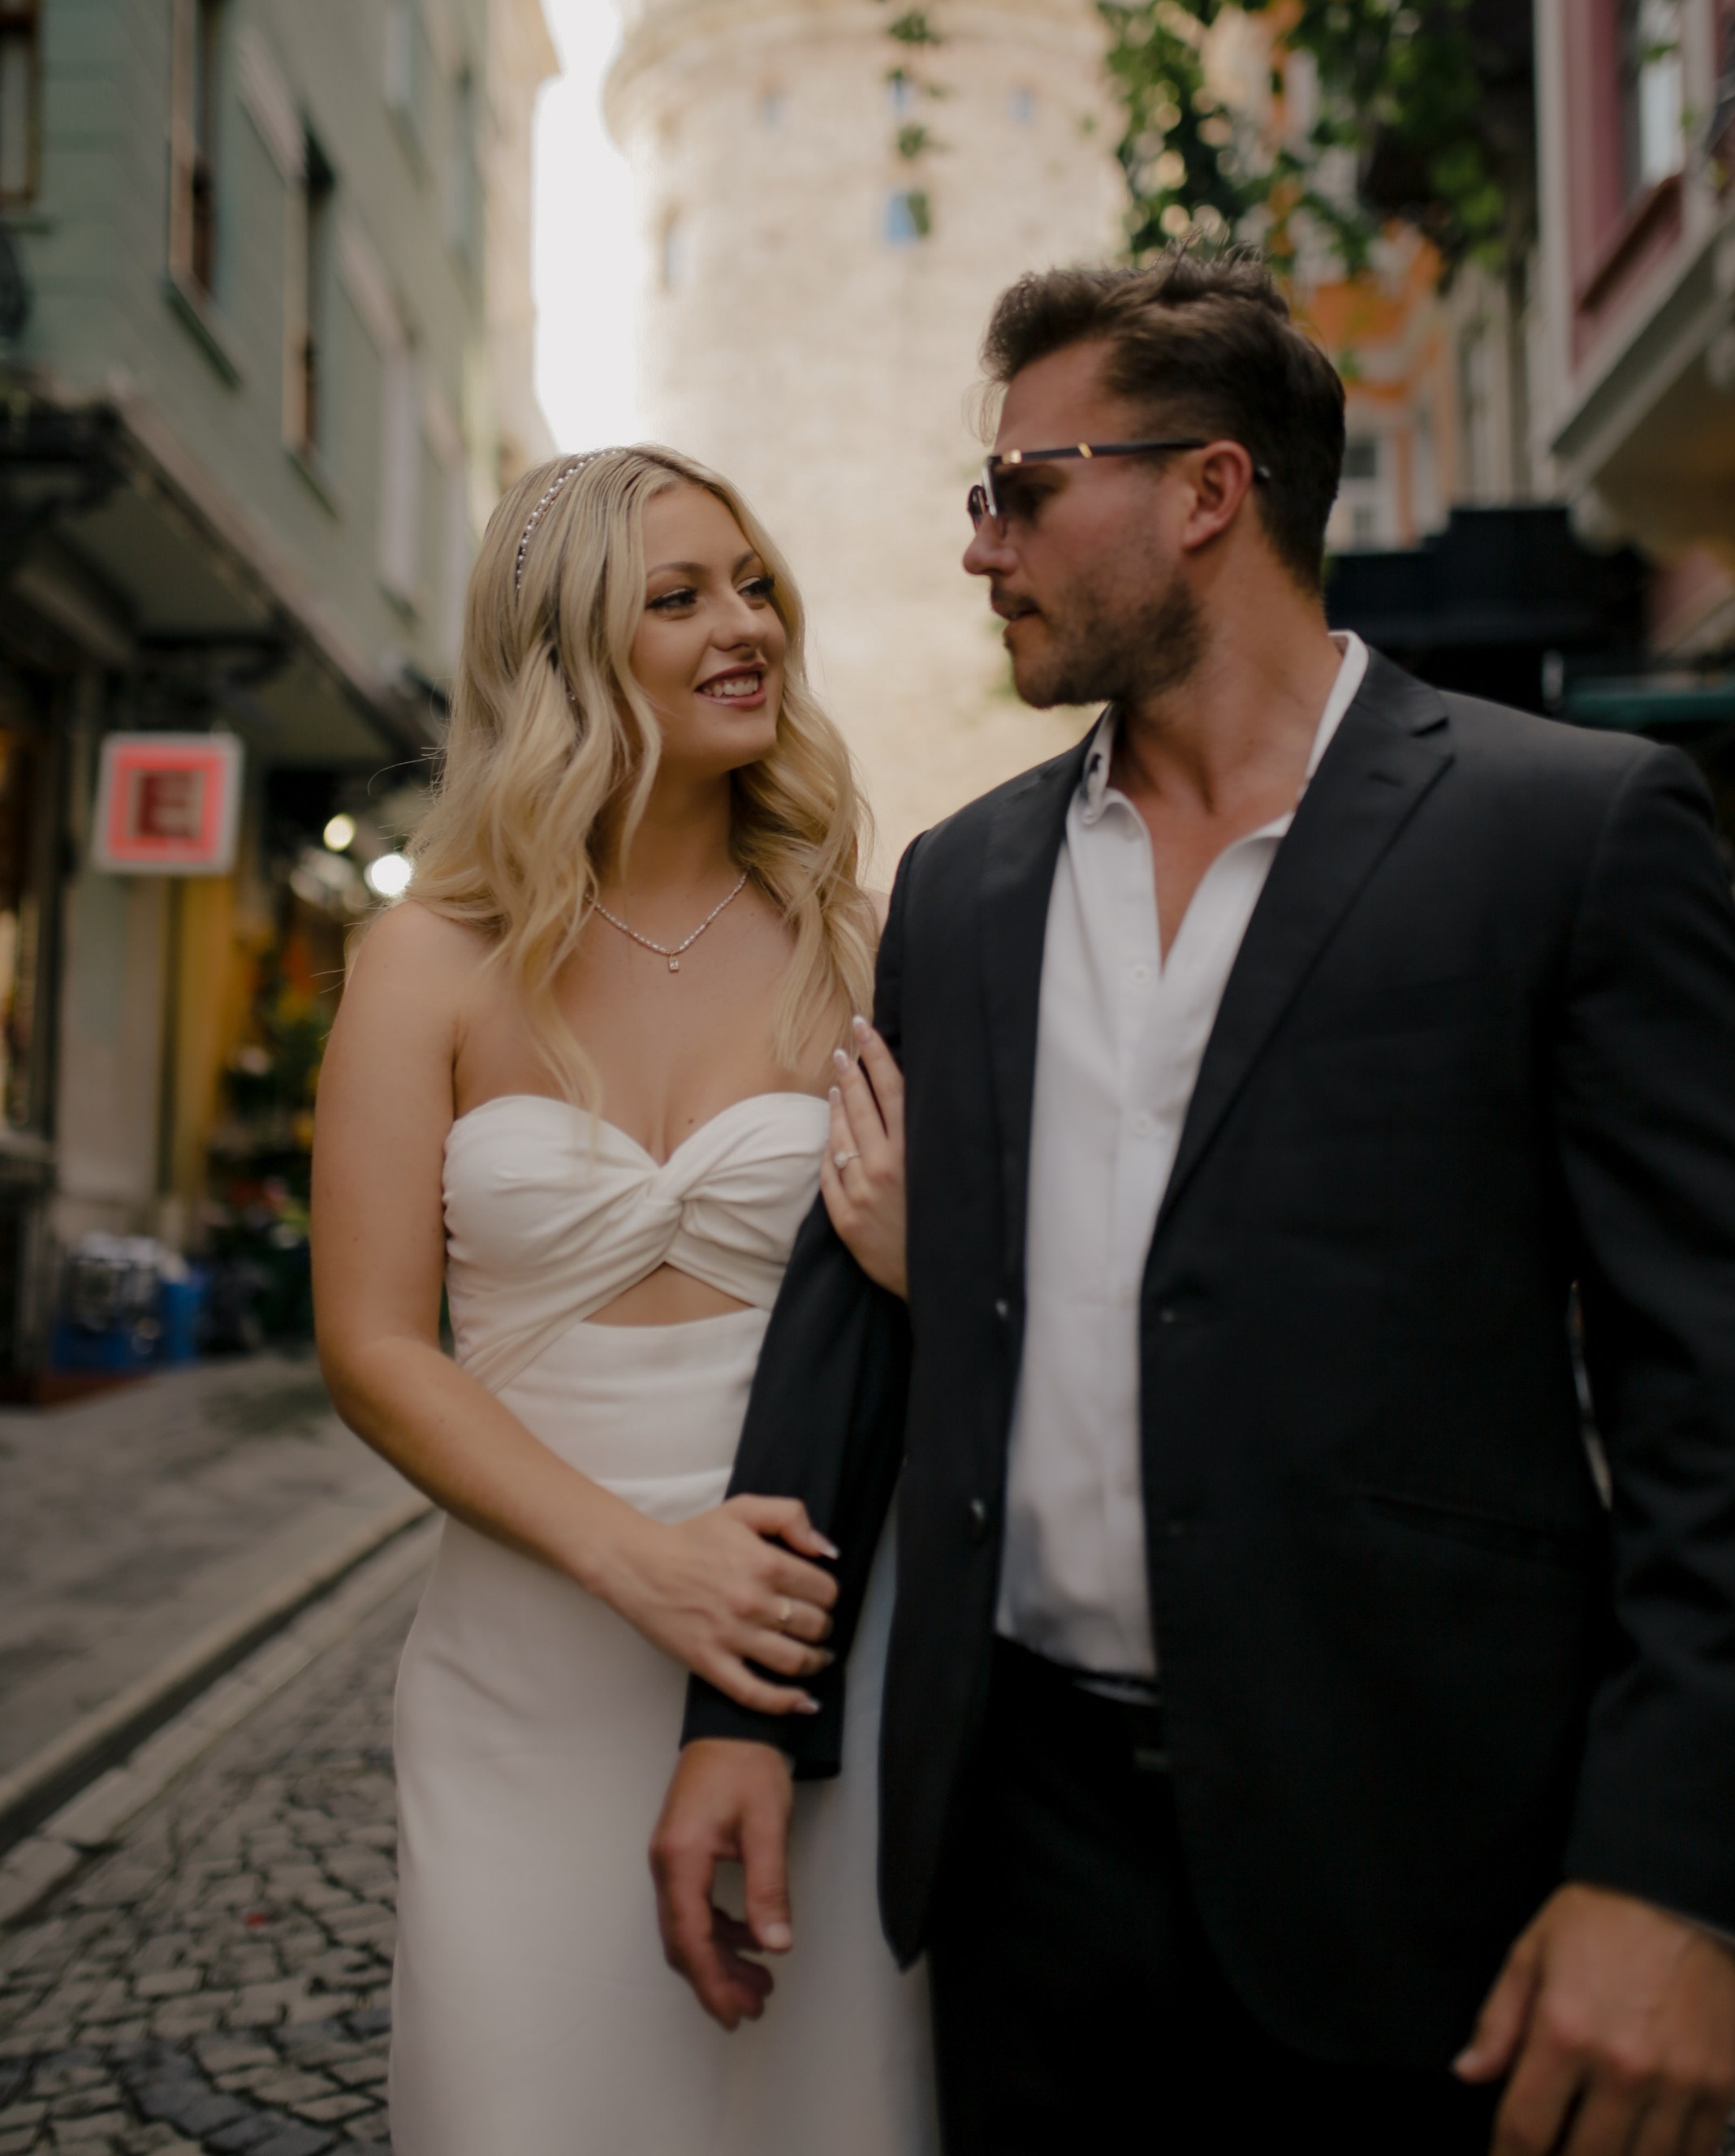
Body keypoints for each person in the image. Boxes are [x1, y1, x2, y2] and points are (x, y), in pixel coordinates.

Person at [652, 251, 1735, 2156]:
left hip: (1426, 1860)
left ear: (1208, 491)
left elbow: (1705, 1392)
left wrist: (1669, 1870)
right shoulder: (965, 884)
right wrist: (749, 1720)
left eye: (1020, 489)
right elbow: (854, 1302)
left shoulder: (1567, 829)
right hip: (1020, 1859)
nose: (980, 548)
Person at [312, 446, 934, 2156]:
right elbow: (369, 1345)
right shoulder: (428, 954)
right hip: (534, 1644)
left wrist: (926, 1264)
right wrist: (636, 1557)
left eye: (750, 583)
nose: (746, 625)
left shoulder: (869, 940)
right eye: (678, 597)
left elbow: (974, 1298)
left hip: (817, 1637)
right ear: (565, 650)